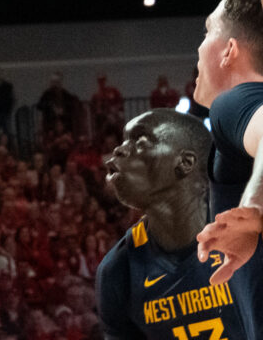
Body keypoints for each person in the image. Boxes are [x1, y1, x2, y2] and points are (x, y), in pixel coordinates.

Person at [96, 109, 251, 339]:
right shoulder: (119, 271)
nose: (119, 149)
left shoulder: (248, 235)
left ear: (185, 163)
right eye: (124, 140)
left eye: (140, 141)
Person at [191, 0, 263, 337]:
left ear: (229, 51)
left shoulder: (234, 102)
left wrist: (254, 206)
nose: (198, 47)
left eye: (207, 32)